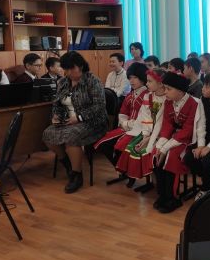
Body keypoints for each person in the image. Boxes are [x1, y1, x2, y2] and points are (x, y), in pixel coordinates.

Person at [43, 51, 107, 194]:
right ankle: (68, 165)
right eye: (66, 69)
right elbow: (57, 104)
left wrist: (79, 117)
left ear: (81, 66)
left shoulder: (92, 81)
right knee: (48, 134)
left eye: (71, 69)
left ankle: (77, 175)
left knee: (71, 136)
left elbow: (99, 106)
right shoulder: (63, 82)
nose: (68, 72)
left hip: (92, 121)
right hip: (68, 120)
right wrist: (56, 116)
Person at [152, 72, 204, 213]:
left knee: (172, 156)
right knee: (156, 152)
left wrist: (166, 147)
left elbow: (188, 130)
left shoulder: (194, 103)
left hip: (188, 140)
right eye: (165, 88)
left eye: (168, 89)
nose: (165, 92)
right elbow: (167, 124)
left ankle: (172, 197)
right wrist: (161, 144)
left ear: (180, 91)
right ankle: (162, 194)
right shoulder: (168, 102)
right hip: (174, 137)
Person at [115, 68, 168, 187]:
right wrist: (145, 135)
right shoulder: (148, 96)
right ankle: (143, 179)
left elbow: (165, 123)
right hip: (147, 132)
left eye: (150, 81)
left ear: (160, 83)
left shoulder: (167, 98)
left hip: (162, 134)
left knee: (147, 151)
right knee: (132, 148)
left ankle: (158, 184)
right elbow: (146, 118)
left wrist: (150, 138)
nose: (147, 84)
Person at [94, 62, 149, 175]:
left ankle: (125, 170)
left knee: (113, 145)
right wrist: (124, 123)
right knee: (102, 144)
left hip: (140, 130)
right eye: (130, 78)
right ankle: (123, 169)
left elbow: (145, 118)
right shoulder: (130, 95)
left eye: (135, 78)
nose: (131, 81)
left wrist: (127, 124)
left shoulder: (147, 95)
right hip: (126, 127)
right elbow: (123, 112)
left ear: (143, 78)